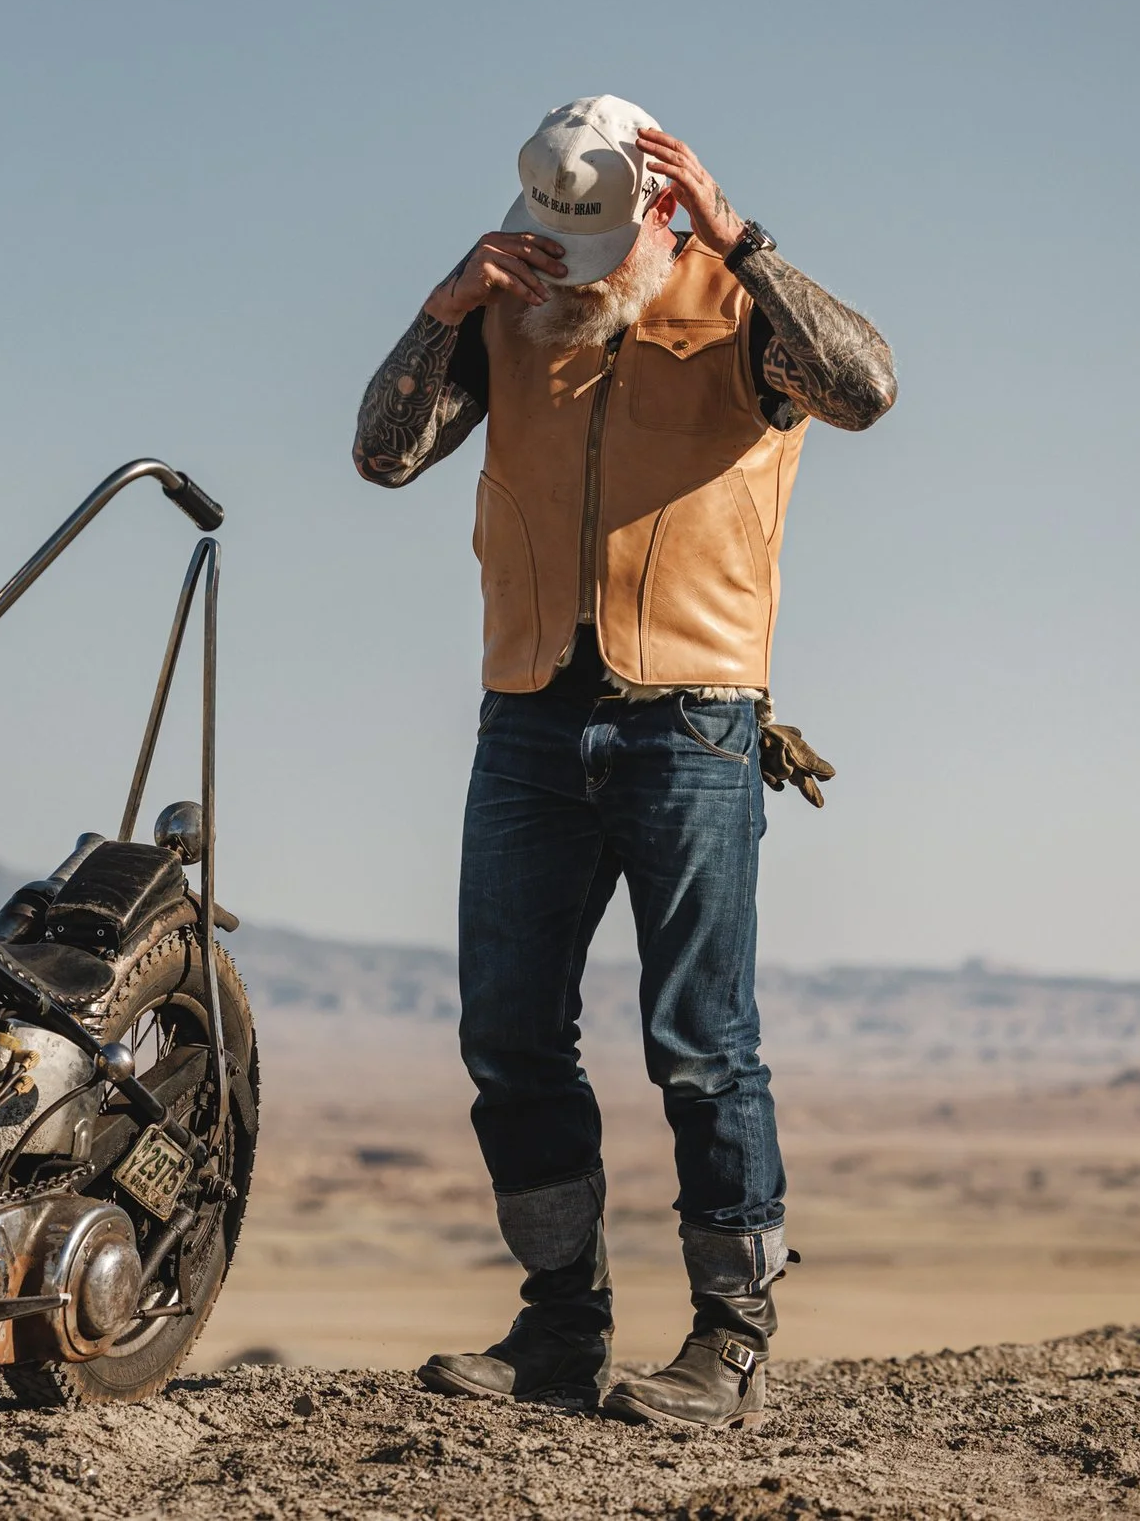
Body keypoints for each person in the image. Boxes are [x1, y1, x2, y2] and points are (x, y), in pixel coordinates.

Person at [351, 95, 895, 1428]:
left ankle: (730, 1335)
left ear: (661, 205)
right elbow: (383, 455)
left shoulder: (741, 308)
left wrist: (742, 239)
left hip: (694, 717)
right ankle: (558, 1328)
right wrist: (439, 309)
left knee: (701, 1042)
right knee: (509, 1034)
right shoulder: (506, 310)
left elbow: (868, 389)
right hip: (528, 715)